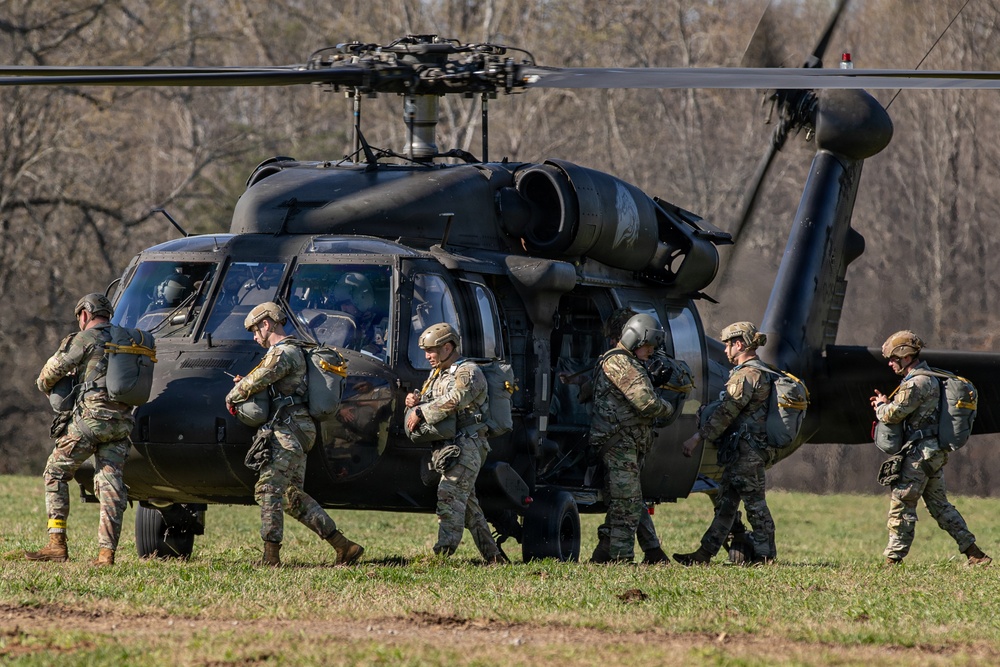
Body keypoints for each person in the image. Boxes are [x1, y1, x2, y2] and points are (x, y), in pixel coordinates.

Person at [225, 301, 364, 567]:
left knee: (268, 489)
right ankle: (344, 547)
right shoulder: (290, 351)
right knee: (291, 496)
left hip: (288, 431)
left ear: (267, 324)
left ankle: (270, 557)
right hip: (295, 428)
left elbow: (259, 379)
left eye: (255, 330)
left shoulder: (284, 352)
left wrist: (233, 395)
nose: (255, 337)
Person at [26, 293, 133, 566]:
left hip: (89, 422)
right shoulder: (128, 339)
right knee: (110, 485)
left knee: (55, 473)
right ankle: (106, 554)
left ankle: (56, 544)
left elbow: (46, 376)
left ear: (85, 314)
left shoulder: (84, 339)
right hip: (120, 425)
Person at [870, 330, 991, 566]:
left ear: (906, 356)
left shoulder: (917, 383)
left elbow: (894, 415)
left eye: (894, 358)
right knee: (940, 506)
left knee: (902, 503)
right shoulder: (929, 378)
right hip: (932, 453)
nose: (891, 363)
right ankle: (975, 554)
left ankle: (893, 560)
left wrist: (881, 407)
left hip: (919, 455)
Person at [674, 321, 776, 566]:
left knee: (755, 505)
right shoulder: (754, 372)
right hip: (739, 450)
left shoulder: (747, 375)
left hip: (747, 452)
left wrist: (698, 437)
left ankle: (765, 556)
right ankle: (704, 554)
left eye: (728, 345)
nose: (725, 350)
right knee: (726, 504)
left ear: (739, 344)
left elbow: (727, 412)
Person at [404, 322, 506, 563]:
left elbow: (456, 399)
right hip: (450, 446)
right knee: (469, 506)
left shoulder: (468, 372)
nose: (428, 356)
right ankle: (494, 558)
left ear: (448, 347)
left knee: (449, 494)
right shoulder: (438, 373)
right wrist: (415, 400)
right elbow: (431, 398)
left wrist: (422, 413)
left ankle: (442, 554)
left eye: (432, 351)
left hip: (469, 444)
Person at [585, 308, 670, 565]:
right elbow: (646, 403)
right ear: (635, 339)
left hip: (626, 442)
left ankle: (610, 555)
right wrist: (668, 407)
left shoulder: (628, 361)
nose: (651, 352)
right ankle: (621, 559)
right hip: (618, 443)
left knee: (627, 500)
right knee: (627, 505)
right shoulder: (620, 362)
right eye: (648, 346)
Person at [330, 272, 386, 356]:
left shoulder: (383, 324)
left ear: (363, 300)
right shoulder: (337, 323)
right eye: (340, 305)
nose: (343, 309)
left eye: (347, 304)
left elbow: (386, 357)